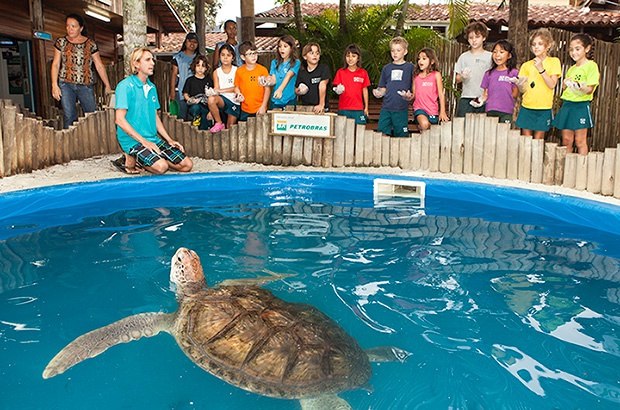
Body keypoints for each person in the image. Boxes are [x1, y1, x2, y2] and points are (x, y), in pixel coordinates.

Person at [115, 47, 193, 175]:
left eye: (152, 59)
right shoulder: (125, 86)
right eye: (148, 60)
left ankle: (144, 161)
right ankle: (131, 157)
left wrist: (169, 140)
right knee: (162, 167)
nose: (152, 63)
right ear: (136, 64)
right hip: (133, 141)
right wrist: (144, 142)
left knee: (187, 165)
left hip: (153, 140)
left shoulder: (152, 87)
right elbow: (119, 120)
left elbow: (155, 116)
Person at [51, 13, 112, 129]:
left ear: (81, 28)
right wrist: (54, 84)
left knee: (92, 114)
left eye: (73, 26)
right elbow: (55, 64)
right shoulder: (61, 42)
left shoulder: (90, 44)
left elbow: (99, 65)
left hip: (85, 84)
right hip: (65, 83)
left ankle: (94, 139)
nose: (70, 29)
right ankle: (69, 142)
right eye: (68, 26)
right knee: (69, 115)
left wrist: (107, 85)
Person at [552, 34, 599, 155]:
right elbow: (564, 88)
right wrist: (565, 84)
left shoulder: (591, 66)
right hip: (567, 105)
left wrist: (581, 88)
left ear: (587, 49)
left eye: (577, 49)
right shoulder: (571, 69)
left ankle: (582, 170)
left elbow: (590, 89)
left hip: (581, 106)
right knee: (566, 141)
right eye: (571, 49)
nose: (574, 52)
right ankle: (566, 168)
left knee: (580, 141)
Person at [515, 28, 561, 139]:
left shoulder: (554, 62)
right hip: (527, 106)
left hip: (544, 107)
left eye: (540, 44)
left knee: (538, 141)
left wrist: (541, 69)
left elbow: (552, 84)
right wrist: (520, 84)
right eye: (534, 44)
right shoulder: (526, 65)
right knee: (526, 140)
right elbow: (523, 89)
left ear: (548, 45)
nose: (536, 47)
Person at [373, 36, 415, 137]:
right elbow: (383, 87)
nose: (395, 53)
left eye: (398, 50)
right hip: (386, 107)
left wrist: (410, 95)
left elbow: (414, 87)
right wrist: (379, 93)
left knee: (401, 136)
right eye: (392, 50)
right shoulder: (386, 68)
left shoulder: (411, 68)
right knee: (382, 134)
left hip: (401, 108)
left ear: (405, 51)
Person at [454, 22, 492, 117]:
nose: (474, 40)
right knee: (462, 127)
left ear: (484, 37)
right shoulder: (463, 57)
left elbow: (494, 78)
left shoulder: (490, 57)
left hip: (484, 98)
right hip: (466, 97)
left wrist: (485, 96)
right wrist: (463, 77)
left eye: (477, 37)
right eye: (471, 37)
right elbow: (456, 78)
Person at [475, 40, 519, 124]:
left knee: (504, 134)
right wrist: (480, 100)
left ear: (509, 55)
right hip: (491, 110)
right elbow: (485, 94)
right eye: (495, 52)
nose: (497, 55)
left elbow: (515, 94)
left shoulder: (513, 73)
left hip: (506, 111)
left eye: (501, 52)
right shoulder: (488, 74)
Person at [412, 48, 450, 131]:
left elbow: (441, 94)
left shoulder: (436, 75)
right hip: (419, 109)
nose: (420, 61)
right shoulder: (416, 76)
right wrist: (407, 96)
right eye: (419, 59)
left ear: (432, 61)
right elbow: (414, 94)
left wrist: (442, 111)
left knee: (431, 131)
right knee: (424, 124)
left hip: (432, 110)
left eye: (424, 58)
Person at [332, 44, 370, 125]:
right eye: (348, 55)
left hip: (358, 108)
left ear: (358, 58)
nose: (350, 58)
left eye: (353, 56)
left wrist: (366, 107)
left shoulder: (363, 73)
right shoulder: (340, 72)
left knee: (359, 130)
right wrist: (337, 90)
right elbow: (336, 88)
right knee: (343, 130)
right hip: (344, 108)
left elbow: (365, 90)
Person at [234, 42, 270, 121]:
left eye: (255, 53)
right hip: (245, 109)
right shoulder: (239, 71)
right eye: (250, 54)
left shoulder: (262, 70)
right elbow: (236, 87)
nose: (253, 56)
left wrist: (263, 106)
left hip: (260, 108)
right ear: (243, 57)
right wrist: (238, 94)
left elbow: (267, 89)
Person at [207, 44, 240, 133]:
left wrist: (223, 90)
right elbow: (216, 89)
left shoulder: (237, 70)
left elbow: (238, 87)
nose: (225, 58)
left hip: (234, 100)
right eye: (223, 55)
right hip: (222, 99)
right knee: (211, 99)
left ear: (233, 57)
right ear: (219, 56)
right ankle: (219, 123)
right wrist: (211, 110)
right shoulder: (216, 72)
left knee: (230, 128)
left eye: (228, 55)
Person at [170, 32, 200, 121]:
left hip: (195, 93)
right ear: (186, 42)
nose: (192, 44)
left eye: (195, 42)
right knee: (181, 117)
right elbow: (174, 74)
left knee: (194, 117)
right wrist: (172, 91)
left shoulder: (199, 57)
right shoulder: (177, 57)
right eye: (190, 41)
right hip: (180, 91)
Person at [295, 43, 331, 114]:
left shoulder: (323, 69)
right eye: (311, 53)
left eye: (317, 53)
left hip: (321, 108)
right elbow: (296, 89)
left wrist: (321, 104)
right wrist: (299, 90)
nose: (315, 55)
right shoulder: (301, 73)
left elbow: (322, 85)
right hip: (306, 109)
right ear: (305, 56)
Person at [267, 35, 301, 109]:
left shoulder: (296, 62)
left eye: (285, 46)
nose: (282, 49)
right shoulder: (274, 62)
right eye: (280, 46)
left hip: (289, 99)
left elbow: (288, 76)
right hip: (275, 99)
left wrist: (280, 90)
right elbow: (273, 80)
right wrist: (267, 81)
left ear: (291, 48)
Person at [182, 55, 213, 130]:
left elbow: (213, 96)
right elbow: (185, 94)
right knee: (196, 108)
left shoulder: (209, 81)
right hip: (194, 105)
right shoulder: (190, 80)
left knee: (205, 121)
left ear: (206, 68)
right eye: (198, 65)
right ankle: (196, 120)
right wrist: (190, 100)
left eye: (203, 66)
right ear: (194, 66)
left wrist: (211, 111)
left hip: (206, 107)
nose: (200, 68)